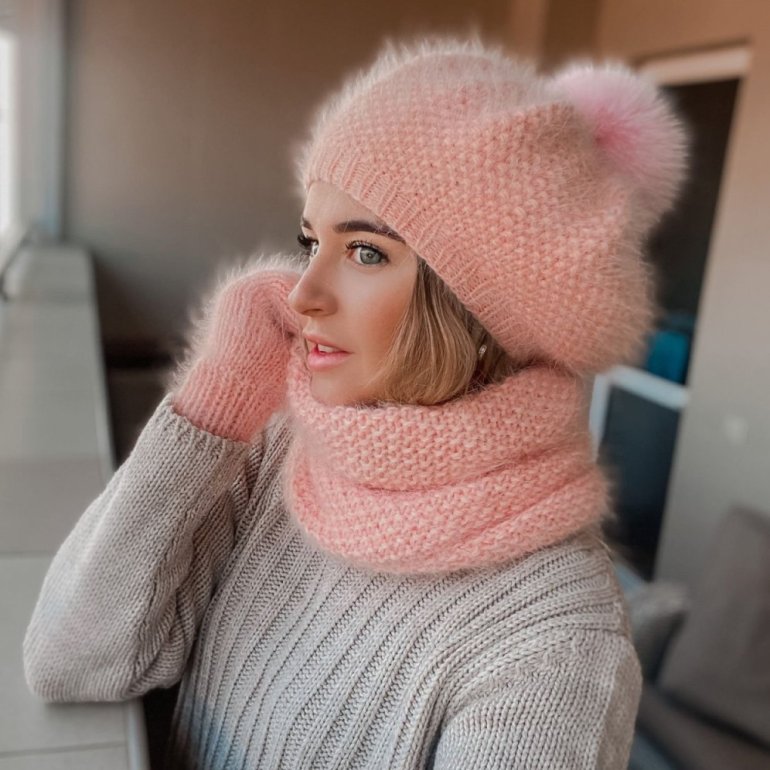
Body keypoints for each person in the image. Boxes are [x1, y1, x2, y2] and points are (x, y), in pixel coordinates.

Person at [22, 32, 689, 769]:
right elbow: (69, 659)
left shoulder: (556, 643)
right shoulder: (281, 450)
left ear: (482, 315)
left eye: (365, 251)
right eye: (311, 242)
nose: (302, 293)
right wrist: (213, 406)